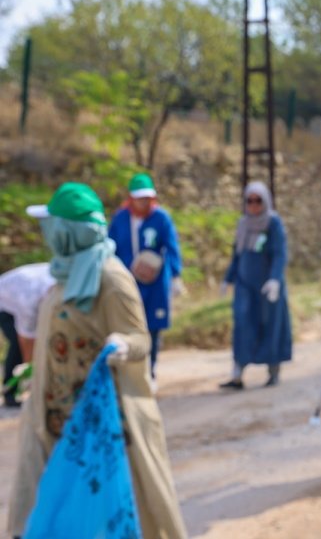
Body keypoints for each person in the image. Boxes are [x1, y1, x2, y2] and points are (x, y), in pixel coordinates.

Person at [8, 182, 187, 538]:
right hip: (56, 423)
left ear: (69, 231)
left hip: (101, 428)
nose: (47, 233)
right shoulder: (63, 274)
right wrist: (37, 368)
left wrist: (122, 344)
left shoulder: (111, 279)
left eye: (52, 225)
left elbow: (140, 339)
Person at [108, 173, 184, 383]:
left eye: (146, 198)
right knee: (128, 323)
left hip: (155, 283)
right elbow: (110, 246)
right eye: (139, 197)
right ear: (131, 198)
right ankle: (130, 371)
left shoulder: (161, 218)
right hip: (127, 280)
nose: (143, 202)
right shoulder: (121, 219)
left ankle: (150, 371)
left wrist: (176, 275)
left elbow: (172, 246)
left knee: (153, 326)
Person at [219, 181, 291, 389]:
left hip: (267, 288)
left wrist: (275, 279)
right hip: (245, 287)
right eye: (249, 200)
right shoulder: (243, 224)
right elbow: (237, 255)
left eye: (258, 200)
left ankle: (273, 371)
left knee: (271, 326)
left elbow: (280, 253)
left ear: (265, 201)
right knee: (242, 326)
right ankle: (237, 375)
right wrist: (227, 278)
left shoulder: (273, 223)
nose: (253, 205)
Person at [0, 264, 55, 408]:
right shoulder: (30, 301)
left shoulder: (60, 281)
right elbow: (26, 339)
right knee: (17, 345)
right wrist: (28, 369)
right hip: (5, 304)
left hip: (21, 288)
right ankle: (10, 392)